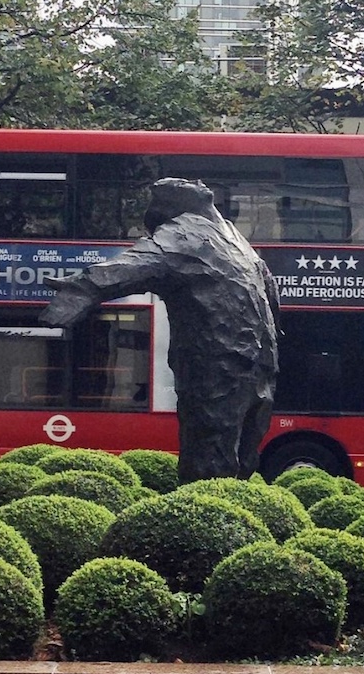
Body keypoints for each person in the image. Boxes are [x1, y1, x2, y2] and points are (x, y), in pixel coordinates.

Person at [40, 177, 279, 483]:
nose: (196, 181)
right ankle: (204, 522)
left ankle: (227, 514)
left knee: (244, 456)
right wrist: (82, 289)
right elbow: (138, 262)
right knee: (212, 459)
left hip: (256, 363)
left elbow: (267, 288)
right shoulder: (183, 232)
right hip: (219, 365)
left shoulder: (231, 233)